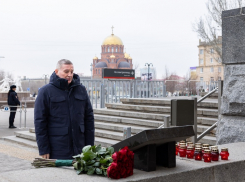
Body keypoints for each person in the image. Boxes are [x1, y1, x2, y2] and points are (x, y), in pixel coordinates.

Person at [34, 59, 94, 159]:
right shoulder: (46, 91)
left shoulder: (81, 90)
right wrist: (44, 149)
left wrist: (90, 147)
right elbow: (40, 122)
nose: (69, 74)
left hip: (80, 147)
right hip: (57, 148)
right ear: (57, 71)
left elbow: (89, 119)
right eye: (66, 71)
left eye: (71, 71)